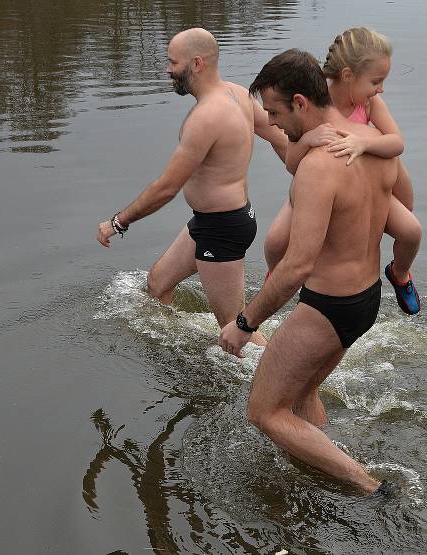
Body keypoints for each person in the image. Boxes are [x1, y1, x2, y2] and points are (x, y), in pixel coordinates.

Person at [219, 48, 398, 495]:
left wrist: (245, 324)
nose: (274, 124)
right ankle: (321, 451)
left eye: (277, 113)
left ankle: (371, 489)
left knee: (262, 411)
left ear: (301, 102)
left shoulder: (319, 167)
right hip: (366, 297)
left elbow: (297, 265)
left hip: (329, 306)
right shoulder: (369, 138)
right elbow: (404, 215)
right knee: (300, 395)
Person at [96, 28, 288, 347]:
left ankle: (283, 375)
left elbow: (166, 188)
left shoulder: (206, 117)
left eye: (173, 62)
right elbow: (282, 139)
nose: (167, 69)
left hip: (222, 228)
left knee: (237, 332)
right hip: (210, 221)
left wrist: (119, 222)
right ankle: (184, 352)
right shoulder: (238, 95)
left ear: (196, 63)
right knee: (157, 285)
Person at [264, 27, 422, 315]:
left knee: (411, 231)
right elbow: (291, 164)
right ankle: (277, 282)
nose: (381, 88)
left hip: (362, 190)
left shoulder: (371, 103)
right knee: (275, 242)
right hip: (314, 188)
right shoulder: (312, 101)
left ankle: (400, 274)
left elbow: (396, 142)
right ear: (348, 75)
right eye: (376, 81)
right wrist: (308, 140)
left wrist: (363, 142)